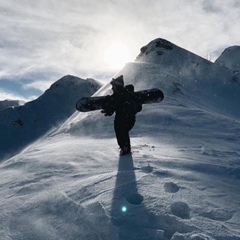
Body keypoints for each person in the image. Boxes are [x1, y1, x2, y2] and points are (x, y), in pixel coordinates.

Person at [101, 75, 142, 155]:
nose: (112, 88)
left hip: (128, 119)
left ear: (118, 87)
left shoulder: (128, 95)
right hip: (122, 119)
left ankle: (125, 147)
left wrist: (131, 107)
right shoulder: (114, 98)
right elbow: (111, 110)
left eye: (113, 86)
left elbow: (138, 107)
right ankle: (123, 146)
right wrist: (107, 110)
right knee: (119, 127)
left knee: (121, 126)